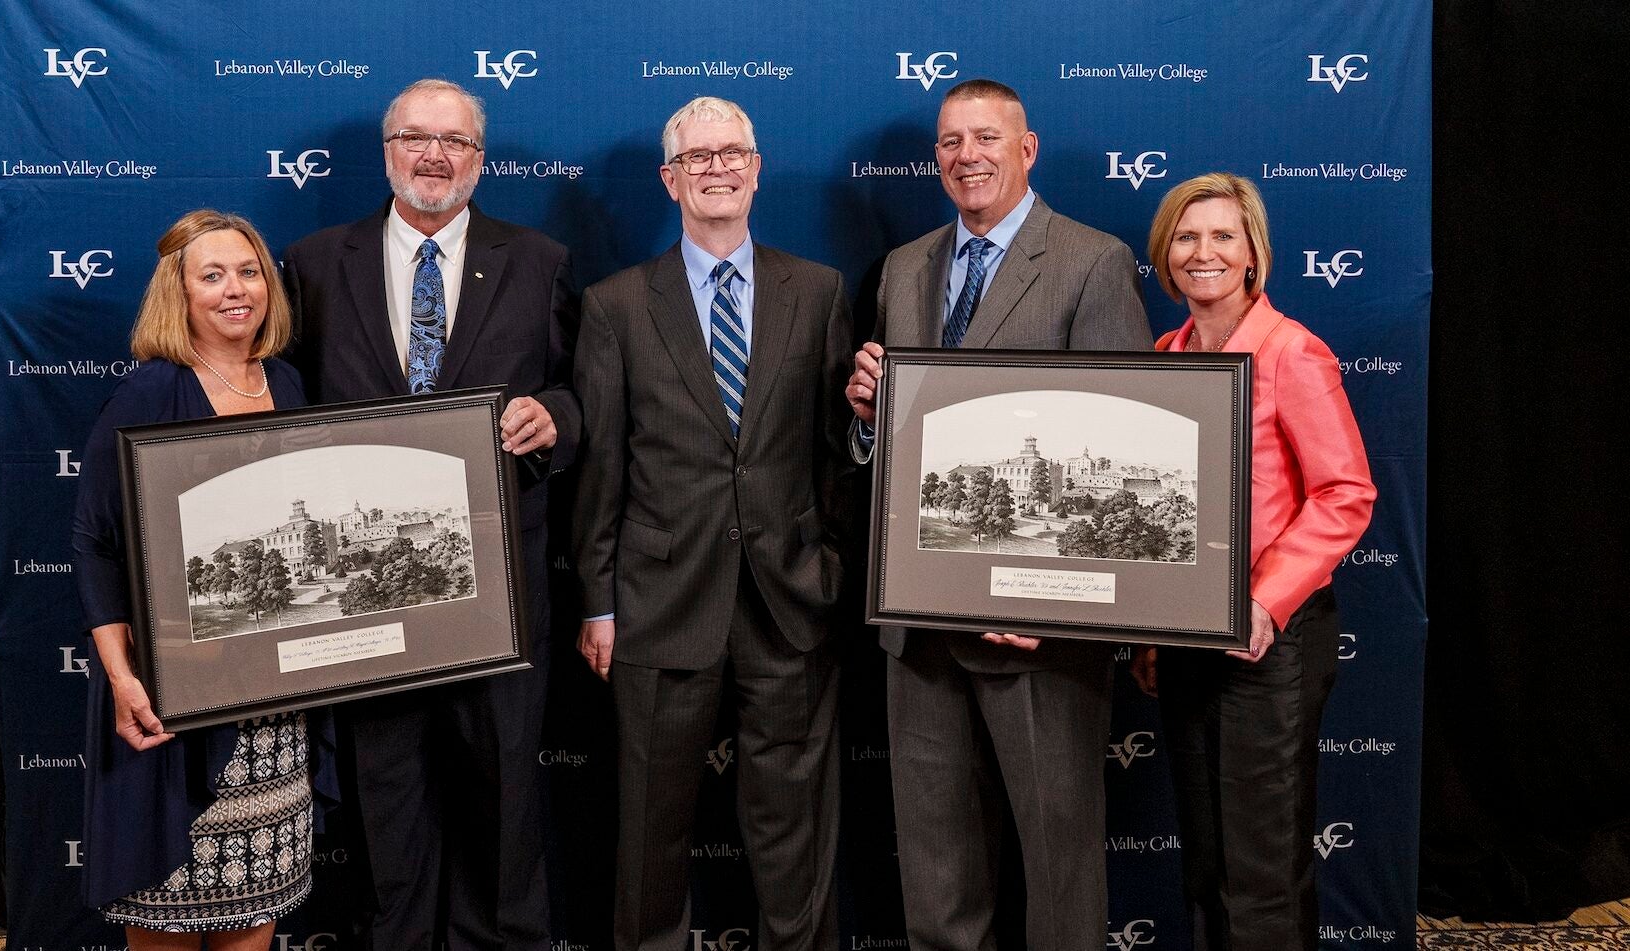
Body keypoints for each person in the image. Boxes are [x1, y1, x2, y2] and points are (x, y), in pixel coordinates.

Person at [844, 79, 1151, 950]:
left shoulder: (1092, 261)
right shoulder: (905, 268)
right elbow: (904, 444)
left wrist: (1056, 604)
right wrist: (866, 418)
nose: (966, 156)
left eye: (986, 137)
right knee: (937, 872)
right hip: (919, 620)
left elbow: (1115, 434)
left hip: (1041, 633)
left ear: (1028, 149)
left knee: (1058, 868)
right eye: (949, 142)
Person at [281, 78, 576, 951]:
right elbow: (283, 405)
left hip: (500, 590)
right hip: (370, 602)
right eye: (416, 138)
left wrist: (556, 416)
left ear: (479, 160)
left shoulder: (540, 260)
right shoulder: (314, 263)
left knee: (503, 805)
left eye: (454, 142)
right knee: (387, 803)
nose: (435, 156)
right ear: (388, 151)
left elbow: (580, 391)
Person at [571, 96, 854, 951]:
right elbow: (602, 468)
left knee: (793, 833)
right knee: (650, 833)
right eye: (699, 157)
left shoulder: (821, 291)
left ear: (758, 168)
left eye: (734, 152)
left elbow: (838, 450)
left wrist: (833, 570)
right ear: (671, 178)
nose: (719, 167)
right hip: (659, 602)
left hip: (790, 600)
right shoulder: (616, 304)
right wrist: (598, 600)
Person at [73, 209, 334, 948]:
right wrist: (123, 678)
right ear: (179, 294)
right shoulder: (153, 390)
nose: (235, 289)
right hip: (171, 700)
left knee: (256, 913)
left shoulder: (286, 381)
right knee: (167, 915)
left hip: (274, 710)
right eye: (211, 275)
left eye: (249, 271)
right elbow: (93, 540)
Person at [1130, 172, 1376, 951]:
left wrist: (1266, 602)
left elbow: (1345, 493)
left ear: (1252, 255)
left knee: (1261, 873)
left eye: (1223, 236)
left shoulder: (1292, 351)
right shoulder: (1165, 353)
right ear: (1166, 256)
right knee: (1206, 862)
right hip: (1188, 637)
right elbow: (1162, 517)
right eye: (1187, 236)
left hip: (1272, 640)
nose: (1203, 252)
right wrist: (1149, 632)